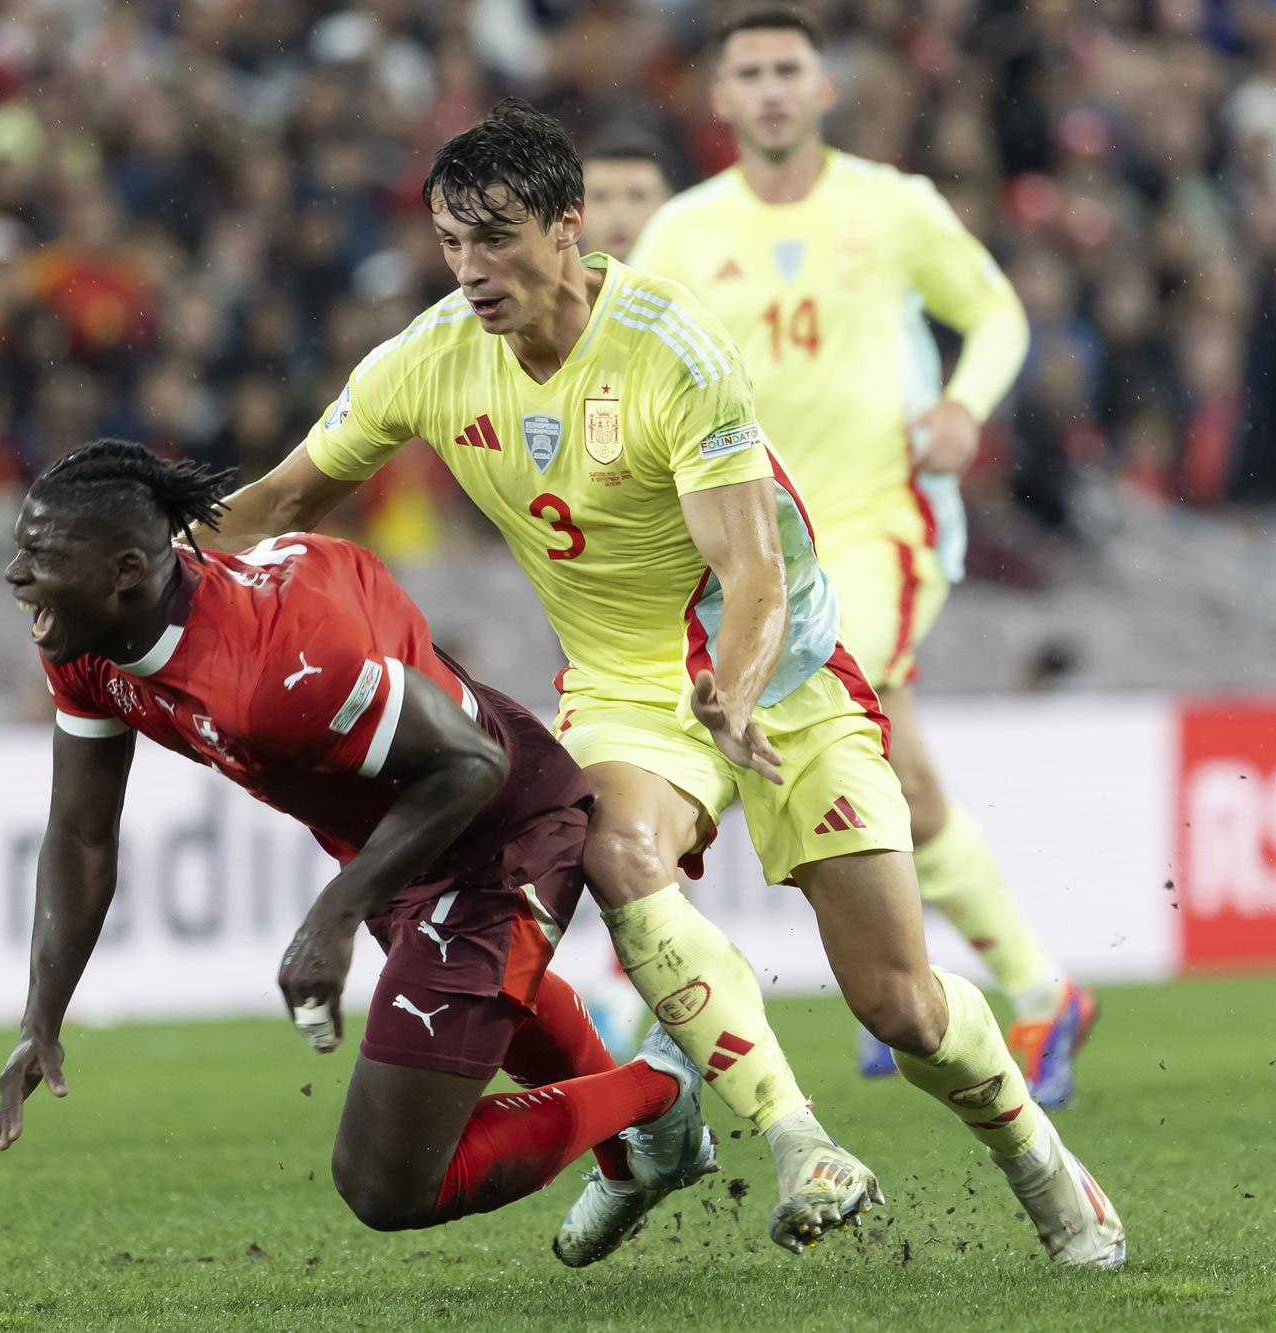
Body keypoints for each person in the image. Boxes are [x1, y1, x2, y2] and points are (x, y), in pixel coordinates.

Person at [213, 99, 1124, 1268]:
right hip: (623, 691)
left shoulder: (666, 343)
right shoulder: (426, 360)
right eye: (450, 240)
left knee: (897, 1005)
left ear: (568, 229)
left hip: (782, 673)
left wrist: (734, 691)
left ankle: (1037, 1162)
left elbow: (750, 571)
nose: (469, 269)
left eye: (494, 237)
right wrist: (152, 580)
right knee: (615, 849)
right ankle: (793, 1138)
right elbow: (284, 500)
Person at [0, 438, 717, 1244]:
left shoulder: (269, 673)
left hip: (495, 830)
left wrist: (332, 916)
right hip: (405, 836)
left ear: (126, 571)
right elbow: (82, 836)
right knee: (497, 1015)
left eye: (39, 556)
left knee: (386, 1180)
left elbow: (472, 763)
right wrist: (40, 1017)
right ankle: (630, 1156)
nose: (15, 576)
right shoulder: (88, 644)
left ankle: (660, 1089)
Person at [628, 7, 1094, 1106]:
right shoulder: (684, 233)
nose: (773, 88)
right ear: (721, 99)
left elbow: (993, 315)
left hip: (881, 526)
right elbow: (629, 359)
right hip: (752, 544)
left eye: (790, 68)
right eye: (750, 72)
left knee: (799, 704)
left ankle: (682, 1025)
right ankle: (1029, 985)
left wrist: (963, 409)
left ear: (822, 88)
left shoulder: (890, 207)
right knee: (902, 775)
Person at [581, 135, 672, 263]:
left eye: (637, 196)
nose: (619, 212)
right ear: (572, 212)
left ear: (668, 205)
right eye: (600, 197)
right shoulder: (547, 282)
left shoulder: (697, 281)